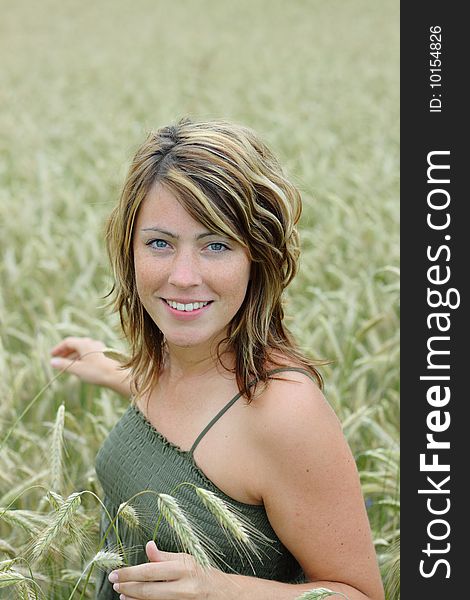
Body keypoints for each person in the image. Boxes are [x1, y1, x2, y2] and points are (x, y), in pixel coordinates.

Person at [50, 118, 385, 600]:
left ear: (258, 257)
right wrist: (112, 368)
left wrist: (216, 589)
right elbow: (187, 422)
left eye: (216, 245)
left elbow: (362, 596)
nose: (184, 276)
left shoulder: (287, 414)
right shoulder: (173, 354)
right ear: (131, 251)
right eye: (160, 243)